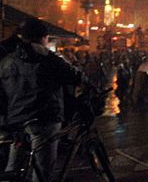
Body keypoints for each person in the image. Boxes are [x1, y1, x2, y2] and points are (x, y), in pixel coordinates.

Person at [0, 18, 85, 182]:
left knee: (13, 168)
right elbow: (75, 76)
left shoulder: (7, 60)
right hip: (44, 119)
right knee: (42, 169)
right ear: (43, 37)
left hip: (16, 120)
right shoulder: (47, 58)